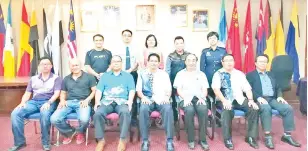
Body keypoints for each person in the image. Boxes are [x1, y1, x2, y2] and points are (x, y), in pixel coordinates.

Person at [246, 54, 301, 149]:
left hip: (272, 99)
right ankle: (268, 136)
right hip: (259, 99)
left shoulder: (271, 74)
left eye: (265, 62)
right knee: (266, 108)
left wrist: (280, 96)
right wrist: (258, 98)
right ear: (255, 63)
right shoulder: (250, 75)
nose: (263, 63)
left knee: (288, 108)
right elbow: (248, 90)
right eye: (260, 61)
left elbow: (278, 87)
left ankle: (287, 135)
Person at [9, 57, 62, 151]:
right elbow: (27, 93)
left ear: (51, 66)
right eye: (42, 64)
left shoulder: (56, 78)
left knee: (45, 114)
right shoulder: (33, 79)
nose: (45, 66)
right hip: (34, 102)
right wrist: (22, 102)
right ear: (39, 66)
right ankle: (19, 142)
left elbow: (57, 93)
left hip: (49, 101)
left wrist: (48, 102)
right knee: (15, 113)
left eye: (47, 64)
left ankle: (45, 142)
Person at [212, 54, 259, 150]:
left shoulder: (240, 74)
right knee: (227, 111)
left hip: (239, 99)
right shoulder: (218, 74)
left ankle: (250, 137)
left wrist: (250, 100)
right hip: (224, 99)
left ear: (234, 62)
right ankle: (227, 139)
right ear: (222, 62)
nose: (229, 63)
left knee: (253, 108)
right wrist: (224, 101)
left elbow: (247, 89)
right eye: (227, 61)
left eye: (231, 60)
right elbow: (216, 89)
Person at [93, 55, 135, 151]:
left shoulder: (128, 76)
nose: (116, 63)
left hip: (122, 101)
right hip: (106, 101)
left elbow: (132, 90)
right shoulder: (105, 76)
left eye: (118, 61)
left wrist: (130, 101)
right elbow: (99, 91)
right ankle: (101, 140)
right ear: (110, 64)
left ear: (121, 63)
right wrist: (97, 102)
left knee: (125, 112)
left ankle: (122, 139)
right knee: (97, 113)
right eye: (114, 62)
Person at [50, 58, 96, 145]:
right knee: (54, 119)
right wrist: (62, 100)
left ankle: (80, 133)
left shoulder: (89, 77)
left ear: (80, 65)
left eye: (76, 65)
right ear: (69, 67)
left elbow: (94, 91)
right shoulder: (66, 79)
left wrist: (87, 100)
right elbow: (63, 92)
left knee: (84, 119)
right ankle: (70, 132)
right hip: (68, 102)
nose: (74, 67)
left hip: (83, 102)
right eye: (72, 65)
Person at [137, 53, 174, 151]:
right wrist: (143, 97)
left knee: (168, 109)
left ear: (159, 63)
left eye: (155, 61)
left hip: (161, 98)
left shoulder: (164, 74)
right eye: (151, 61)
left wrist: (167, 97)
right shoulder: (142, 73)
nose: (153, 63)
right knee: (143, 109)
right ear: (148, 62)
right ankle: (145, 140)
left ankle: (169, 140)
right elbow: (139, 90)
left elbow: (169, 89)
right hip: (147, 99)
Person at [173, 54, 210, 150]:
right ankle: (191, 139)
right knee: (189, 110)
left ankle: (203, 139)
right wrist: (185, 98)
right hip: (185, 98)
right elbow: (179, 90)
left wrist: (202, 98)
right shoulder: (180, 74)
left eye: (193, 60)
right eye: (189, 60)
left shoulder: (201, 74)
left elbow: (205, 89)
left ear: (196, 62)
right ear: (185, 62)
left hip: (199, 98)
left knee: (203, 109)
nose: (191, 62)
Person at [165, 36, 190, 122]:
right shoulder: (170, 56)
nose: (179, 45)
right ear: (174, 45)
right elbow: (167, 70)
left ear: (184, 44)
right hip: (172, 82)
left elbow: (192, 68)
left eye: (181, 43)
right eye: (177, 43)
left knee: (185, 99)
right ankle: (175, 119)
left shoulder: (188, 55)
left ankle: (186, 118)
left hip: (185, 83)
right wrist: (168, 83)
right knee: (173, 102)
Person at [200, 31, 227, 97]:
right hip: (208, 75)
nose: (212, 40)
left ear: (217, 40)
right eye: (210, 38)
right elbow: (202, 66)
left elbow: (226, 64)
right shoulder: (205, 51)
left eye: (214, 38)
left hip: (220, 75)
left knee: (220, 93)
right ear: (208, 40)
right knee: (209, 94)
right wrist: (203, 77)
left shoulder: (223, 51)